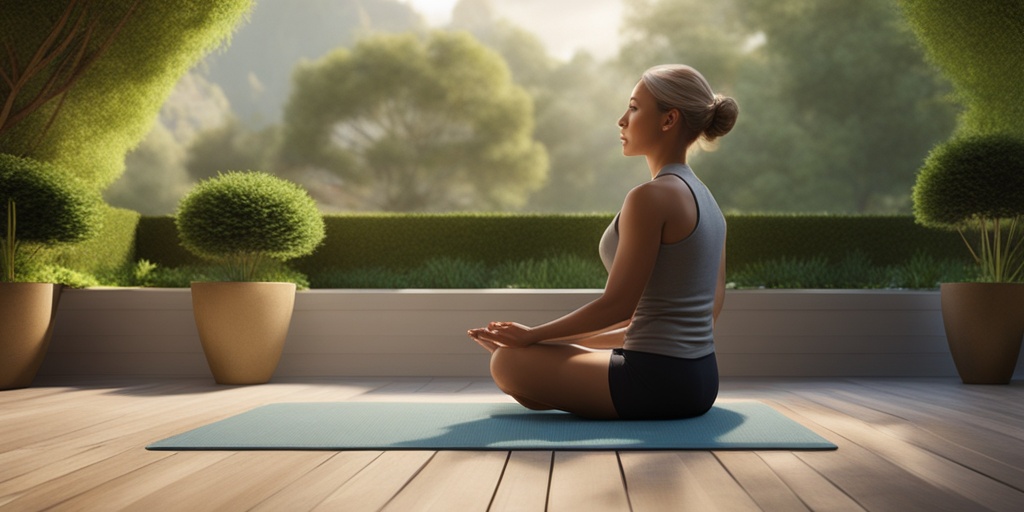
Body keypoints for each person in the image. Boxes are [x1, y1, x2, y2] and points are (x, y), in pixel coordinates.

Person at [468, 64, 738, 420]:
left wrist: (531, 337)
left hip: (655, 382)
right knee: (533, 362)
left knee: (507, 361)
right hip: (701, 381)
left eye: (634, 107)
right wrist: (551, 343)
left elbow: (618, 305)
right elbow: (704, 315)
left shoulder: (651, 197)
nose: (621, 120)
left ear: (668, 119)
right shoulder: (709, 204)